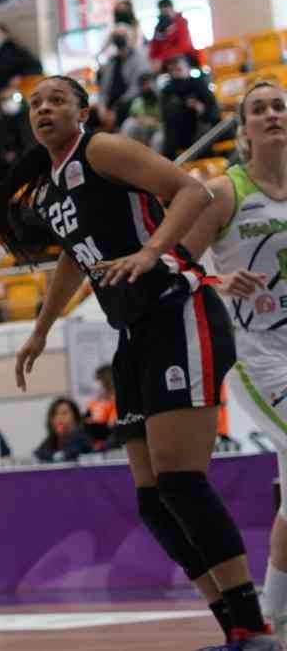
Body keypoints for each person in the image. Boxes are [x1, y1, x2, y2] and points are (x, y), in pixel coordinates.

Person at [5, 77, 271, 649]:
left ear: (83, 110)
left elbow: (192, 194)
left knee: (181, 481)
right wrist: (41, 328)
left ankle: (256, 627)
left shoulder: (103, 149)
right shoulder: (51, 189)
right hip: (132, 333)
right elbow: (75, 261)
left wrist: (154, 251)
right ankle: (235, 630)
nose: (45, 109)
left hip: (178, 312)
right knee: (153, 501)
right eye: (35, 104)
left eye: (57, 99)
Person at [180, 80, 287, 639]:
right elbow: (180, 264)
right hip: (258, 358)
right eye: (259, 109)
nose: (272, 115)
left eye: (279, 106)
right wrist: (221, 279)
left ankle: (276, 621)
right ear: (243, 127)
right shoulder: (226, 191)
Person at [161, 55, 221, 160]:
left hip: (202, 127)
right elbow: (167, 117)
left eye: (179, 70)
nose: (175, 74)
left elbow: (213, 109)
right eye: (172, 70)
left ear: (187, 69)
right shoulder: (167, 90)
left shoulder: (199, 84)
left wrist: (201, 110)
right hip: (179, 133)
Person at [98, 27, 153, 124]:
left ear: (130, 38)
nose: (120, 40)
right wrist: (102, 108)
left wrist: (115, 109)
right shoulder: (111, 62)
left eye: (122, 36)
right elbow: (103, 90)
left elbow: (135, 89)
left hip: (129, 103)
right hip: (110, 105)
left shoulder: (139, 59)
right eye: (116, 37)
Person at [32, 398, 93, 464]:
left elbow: (73, 451)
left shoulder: (83, 436)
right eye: (55, 414)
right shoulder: (53, 438)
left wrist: (57, 456)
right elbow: (38, 453)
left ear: (75, 416)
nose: (59, 418)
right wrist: (54, 456)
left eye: (64, 413)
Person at [148, 0, 197, 67]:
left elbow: (183, 46)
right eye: (162, 12)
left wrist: (161, 58)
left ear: (172, 9)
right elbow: (154, 45)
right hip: (164, 59)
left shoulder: (181, 23)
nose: (165, 14)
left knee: (178, 64)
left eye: (167, 11)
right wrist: (153, 59)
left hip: (181, 56)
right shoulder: (159, 27)